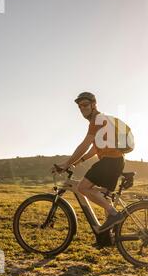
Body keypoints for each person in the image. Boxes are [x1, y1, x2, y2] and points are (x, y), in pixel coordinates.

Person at [51, 92, 126, 231]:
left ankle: (115, 215)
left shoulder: (96, 120)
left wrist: (66, 163)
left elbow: (84, 145)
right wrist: (77, 162)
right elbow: (93, 150)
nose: (82, 108)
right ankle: (108, 237)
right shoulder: (101, 121)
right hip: (116, 161)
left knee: (83, 188)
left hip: (110, 161)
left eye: (85, 104)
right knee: (105, 197)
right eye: (79, 107)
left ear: (93, 104)